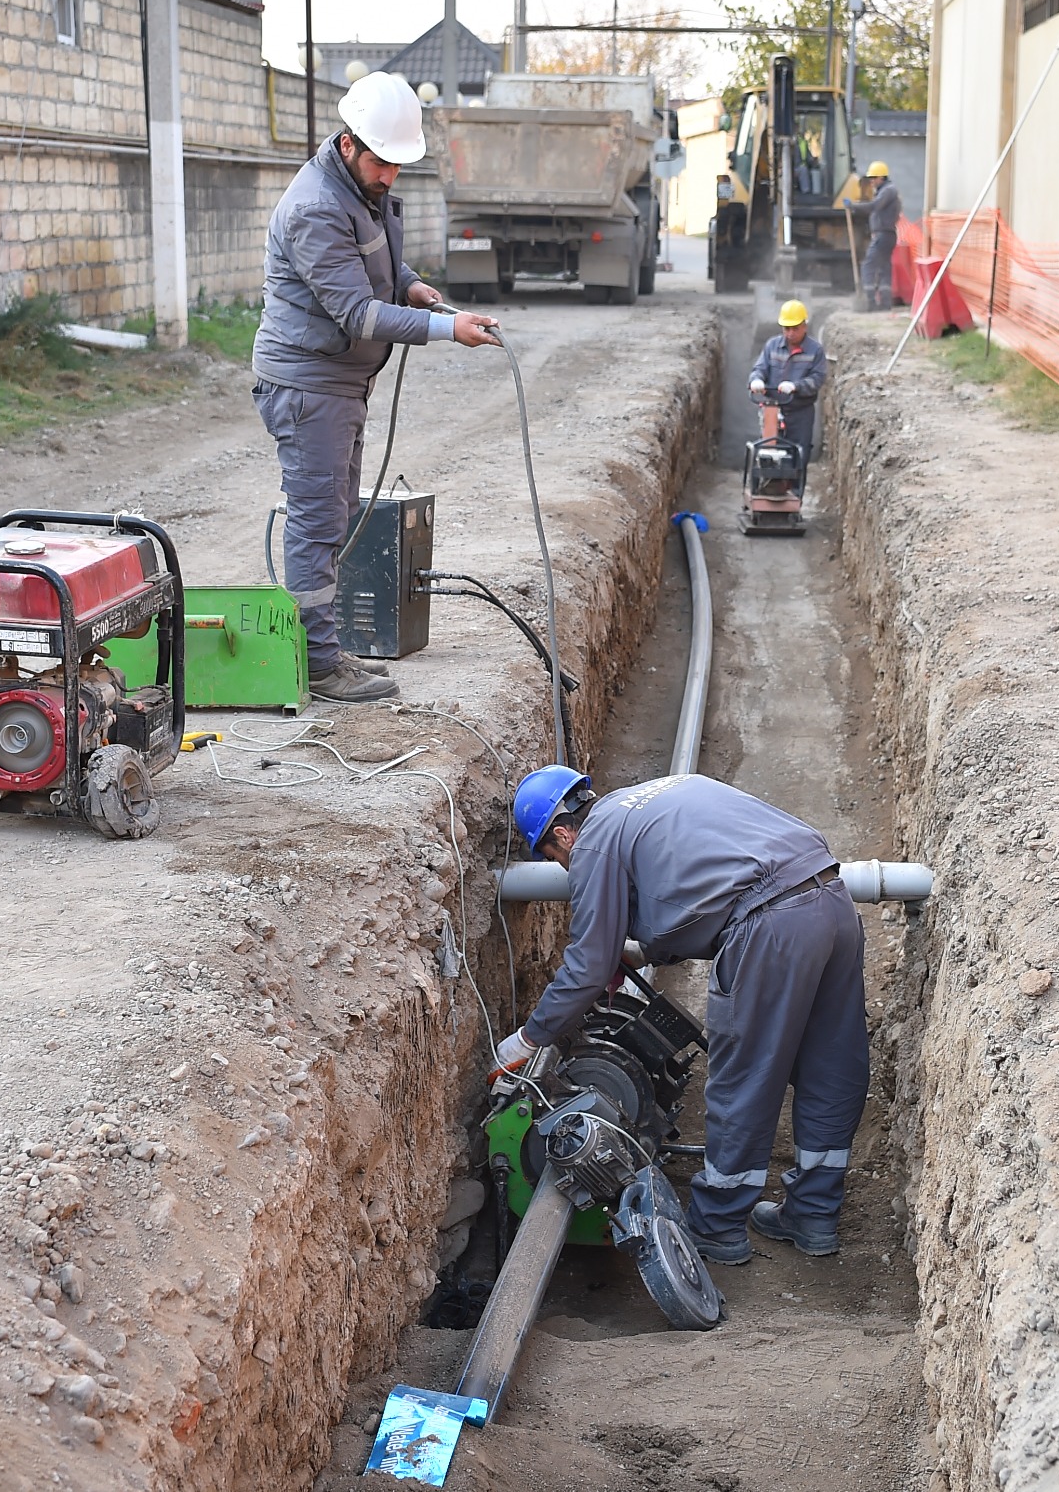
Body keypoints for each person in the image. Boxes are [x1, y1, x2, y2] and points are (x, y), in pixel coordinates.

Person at [492, 766, 868, 1265]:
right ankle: (814, 1214)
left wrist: (530, 1039)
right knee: (831, 1065)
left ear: (562, 834)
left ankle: (717, 1228)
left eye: (555, 858)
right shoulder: (653, 797)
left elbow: (587, 967)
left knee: (745, 1080)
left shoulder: (594, 842)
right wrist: (645, 951)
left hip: (772, 928)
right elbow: (698, 883)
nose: (563, 868)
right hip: (832, 902)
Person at [252, 71, 500, 704]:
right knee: (317, 524)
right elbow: (358, 314)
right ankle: (318, 665)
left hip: (338, 384)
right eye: (381, 163)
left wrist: (410, 283)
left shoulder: (360, 190)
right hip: (308, 387)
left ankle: (322, 650)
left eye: (397, 165)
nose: (390, 176)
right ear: (348, 144)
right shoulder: (314, 208)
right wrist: (446, 328)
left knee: (334, 517)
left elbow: (378, 255)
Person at [748, 300, 827, 464]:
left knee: (799, 454)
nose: (790, 333)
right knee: (768, 451)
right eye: (787, 328)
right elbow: (760, 368)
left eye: (795, 328)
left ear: (804, 326)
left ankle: (796, 480)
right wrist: (756, 380)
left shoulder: (815, 351)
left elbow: (817, 379)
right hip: (773, 410)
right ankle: (767, 477)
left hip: (801, 411)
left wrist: (795, 387)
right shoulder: (772, 346)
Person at [856, 162, 902, 311]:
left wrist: (853, 206)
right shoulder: (887, 191)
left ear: (881, 177)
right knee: (884, 267)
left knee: (868, 266)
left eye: (873, 178)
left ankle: (869, 302)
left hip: (883, 235)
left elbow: (874, 206)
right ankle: (885, 303)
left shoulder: (888, 191)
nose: (871, 181)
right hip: (887, 235)